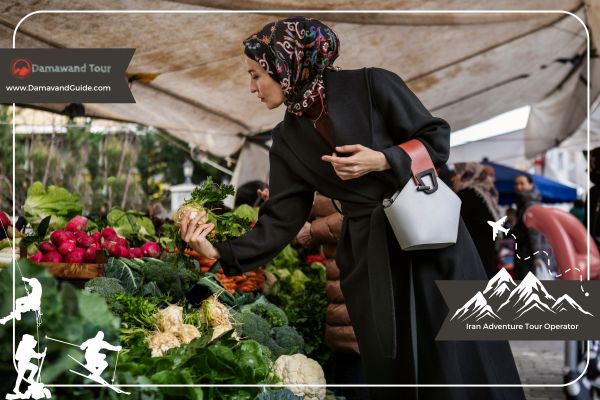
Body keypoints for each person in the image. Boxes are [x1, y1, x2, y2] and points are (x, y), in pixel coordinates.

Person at [180, 17, 524, 399]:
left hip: (431, 241)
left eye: (257, 75)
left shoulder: (373, 84)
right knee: (392, 367)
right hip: (369, 257)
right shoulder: (287, 138)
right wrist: (220, 252)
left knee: (455, 356)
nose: (252, 88)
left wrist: (383, 160)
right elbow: (280, 219)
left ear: (287, 65)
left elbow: (436, 139)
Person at [452, 162, 502, 279]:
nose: (454, 178)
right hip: (488, 254)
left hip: (475, 255)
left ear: (468, 175)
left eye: (459, 174)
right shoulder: (487, 195)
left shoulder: (467, 194)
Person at [512, 173, 549, 280]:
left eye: (522, 183)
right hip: (526, 254)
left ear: (531, 185)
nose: (519, 187)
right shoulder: (523, 202)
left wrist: (537, 257)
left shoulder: (530, 204)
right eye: (517, 184)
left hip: (528, 255)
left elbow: (535, 232)